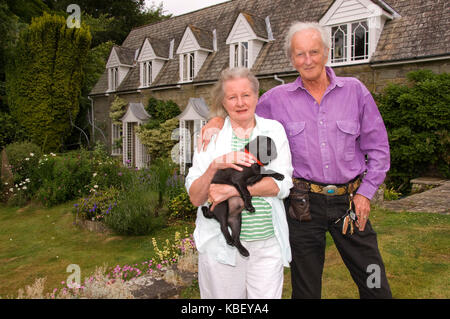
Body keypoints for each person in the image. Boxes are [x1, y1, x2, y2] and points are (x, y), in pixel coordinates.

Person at [199, 22, 392, 299]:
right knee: (305, 289)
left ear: (326, 52)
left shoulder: (355, 91)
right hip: (303, 208)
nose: (308, 60)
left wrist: (366, 193)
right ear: (291, 59)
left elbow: (378, 148)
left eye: (314, 52)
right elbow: (241, 109)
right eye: (300, 54)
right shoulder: (277, 99)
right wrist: (217, 119)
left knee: (374, 279)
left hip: (350, 204)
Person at [185, 67, 294, 299]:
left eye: (246, 95)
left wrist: (231, 190)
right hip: (221, 247)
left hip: (267, 245)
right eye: (232, 97)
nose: (240, 102)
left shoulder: (274, 131)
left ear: (256, 96)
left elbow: (281, 185)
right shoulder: (210, 137)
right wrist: (215, 165)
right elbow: (196, 197)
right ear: (223, 102)